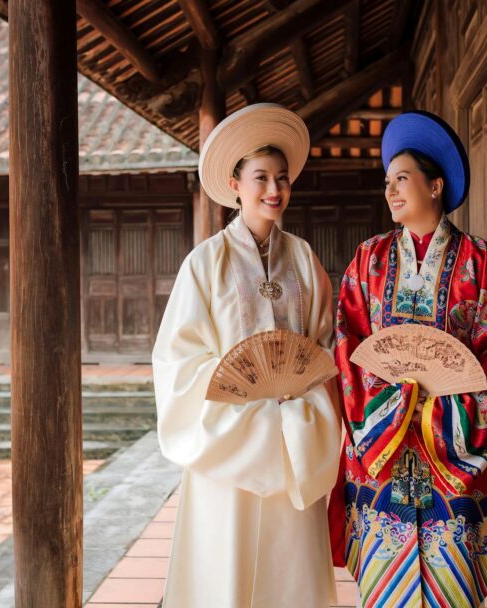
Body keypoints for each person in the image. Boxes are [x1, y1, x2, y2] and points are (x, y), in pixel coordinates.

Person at [328, 110, 487, 607]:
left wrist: (440, 411)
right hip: (383, 447)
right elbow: (348, 344)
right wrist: (392, 407)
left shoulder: (482, 260)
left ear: (435, 186)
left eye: (403, 179)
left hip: (453, 448)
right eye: (387, 182)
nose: (391, 191)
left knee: (452, 587)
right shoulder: (367, 259)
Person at [152, 103, 341, 608]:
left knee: (289, 571)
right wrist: (243, 396)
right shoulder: (205, 263)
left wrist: (296, 405)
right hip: (229, 447)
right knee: (224, 574)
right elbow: (178, 361)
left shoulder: (303, 259)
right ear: (235, 184)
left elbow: (324, 349)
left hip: (291, 443)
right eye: (261, 177)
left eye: (282, 177)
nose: (274, 189)